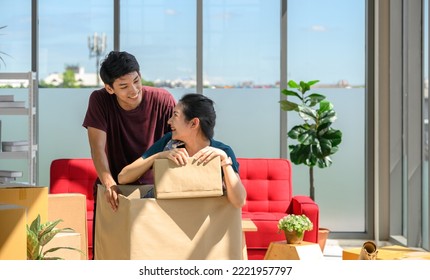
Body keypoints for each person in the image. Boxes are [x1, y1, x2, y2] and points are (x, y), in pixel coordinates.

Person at [82, 50, 176, 257]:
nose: (133, 90)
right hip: (115, 189)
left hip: (156, 190)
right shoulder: (99, 100)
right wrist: (108, 183)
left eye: (136, 81)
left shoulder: (163, 100)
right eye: (123, 86)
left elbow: (180, 143)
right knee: (110, 254)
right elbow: (97, 149)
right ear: (109, 88)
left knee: (155, 256)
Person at [118, 93, 247, 208]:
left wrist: (225, 161)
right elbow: (123, 177)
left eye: (175, 115)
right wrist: (159, 156)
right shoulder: (168, 143)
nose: (169, 121)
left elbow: (239, 201)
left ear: (193, 123)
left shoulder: (222, 152)